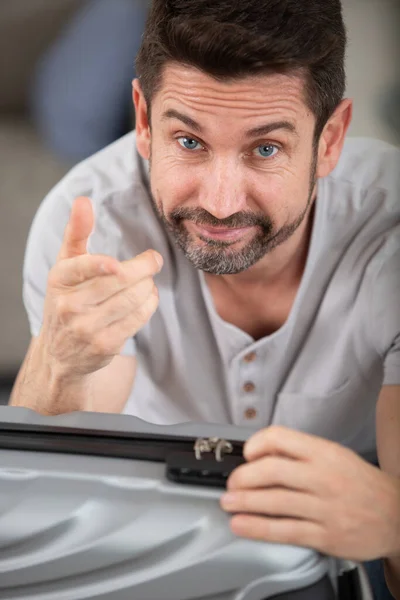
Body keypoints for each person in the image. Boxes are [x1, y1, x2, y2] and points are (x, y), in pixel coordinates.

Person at [10, 0, 400, 597]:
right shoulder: (87, 225)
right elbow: (39, 523)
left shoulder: (392, 234)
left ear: (330, 140)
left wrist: (393, 527)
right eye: (189, 141)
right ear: (143, 119)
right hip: (149, 533)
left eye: (265, 149)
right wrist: (59, 365)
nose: (219, 204)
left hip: (340, 535)